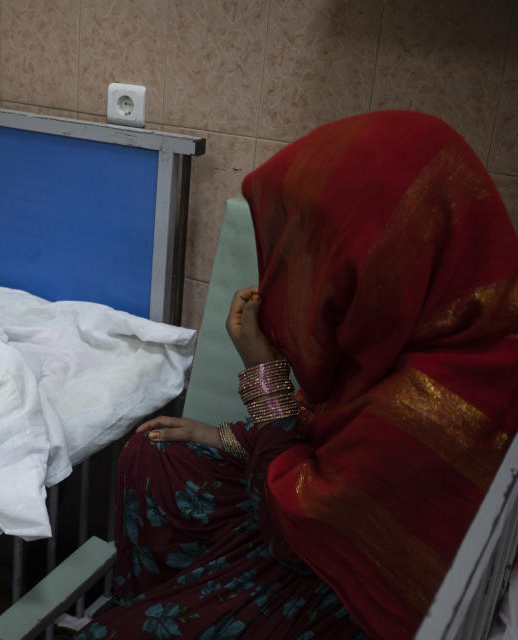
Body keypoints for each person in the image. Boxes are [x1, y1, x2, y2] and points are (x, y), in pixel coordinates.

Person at [75, 110, 518, 639]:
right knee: (157, 459)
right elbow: (334, 433)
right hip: (316, 514)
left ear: (378, 260)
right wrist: (225, 435)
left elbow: (297, 528)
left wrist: (264, 376)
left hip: (342, 587)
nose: (296, 277)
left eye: (316, 253)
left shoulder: (444, 395)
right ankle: (165, 602)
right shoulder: (426, 318)